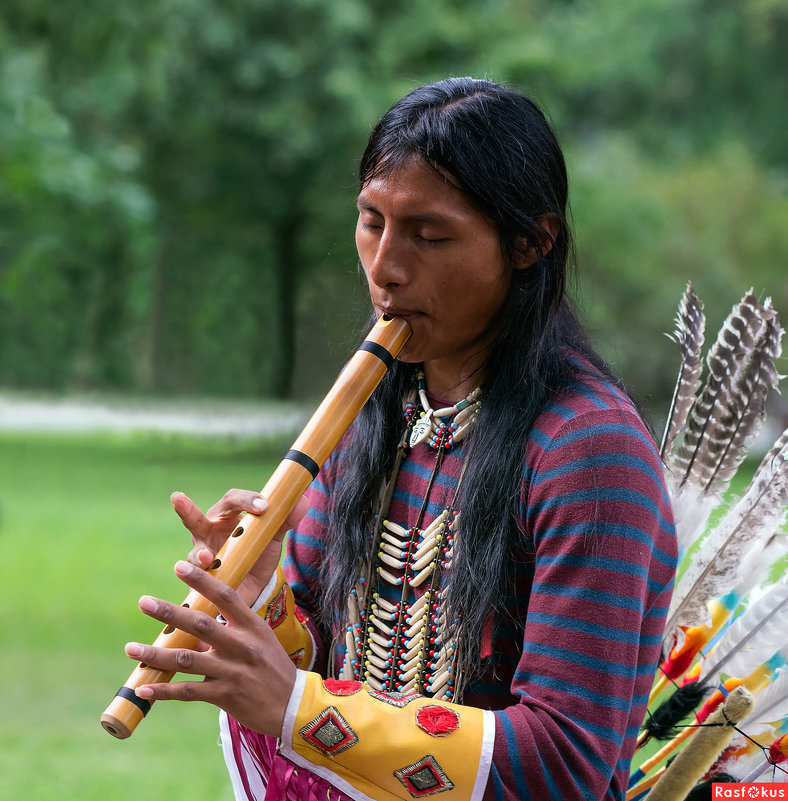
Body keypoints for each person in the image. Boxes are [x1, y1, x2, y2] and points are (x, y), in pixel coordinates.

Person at [124, 78, 677, 801]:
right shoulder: (366, 414)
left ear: (530, 243)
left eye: (429, 234)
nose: (384, 266)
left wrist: (302, 710)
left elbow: (564, 759)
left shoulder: (588, 450)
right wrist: (264, 607)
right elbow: (327, 651)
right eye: (371, 222)